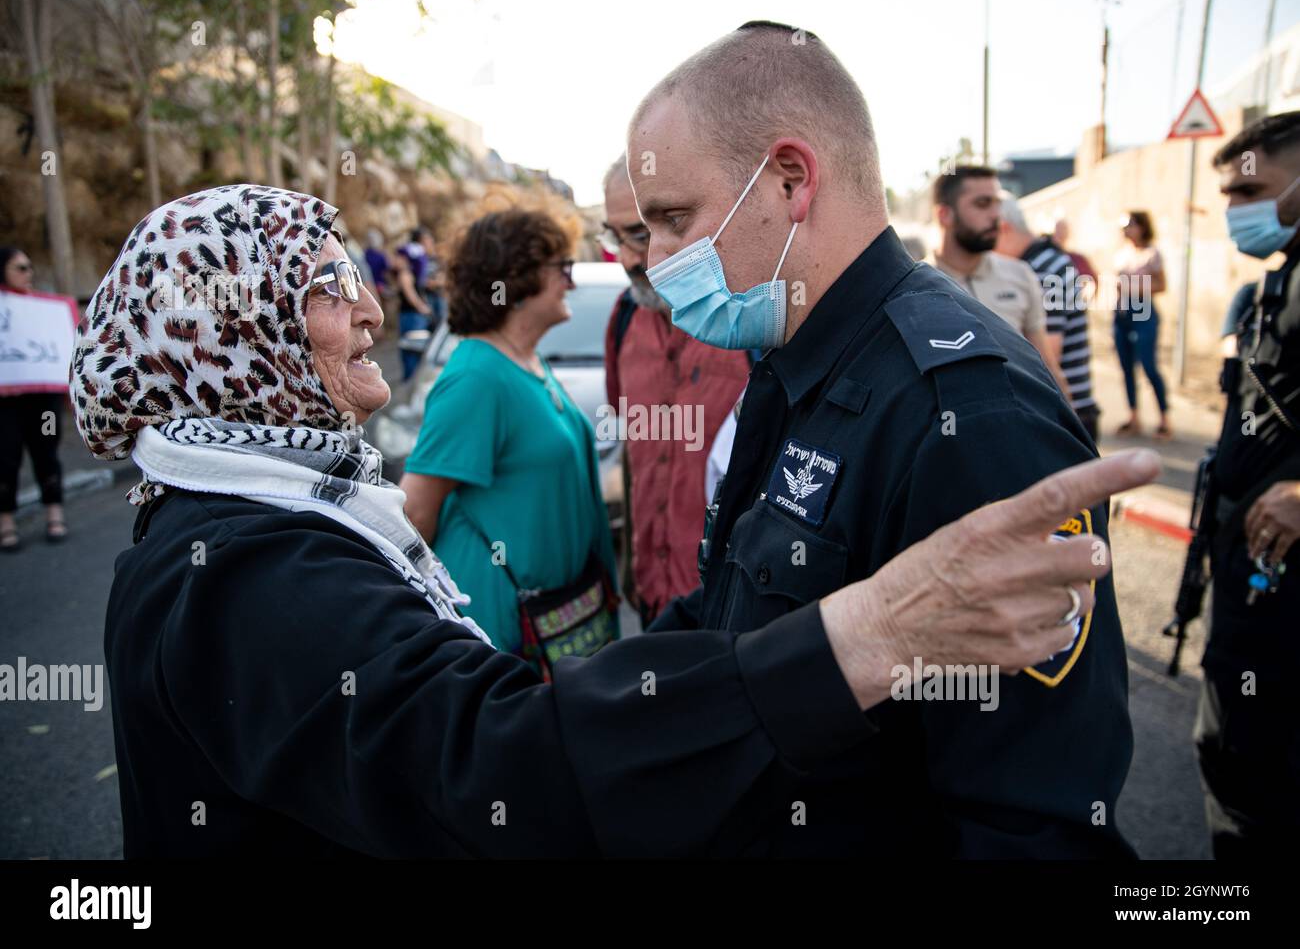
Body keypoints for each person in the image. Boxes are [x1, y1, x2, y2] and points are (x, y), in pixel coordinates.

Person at [68, 183, 1154, 857]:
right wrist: (861, 635)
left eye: (359, 276)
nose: (366, 307)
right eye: (320, 284)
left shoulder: (260, 514)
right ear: (215, 335)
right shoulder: (239, 568)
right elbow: (492, 768)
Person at [632, 21, 1134, 857]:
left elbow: (1030, 819)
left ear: (791, 179)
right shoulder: (795, 354)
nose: (653, 258)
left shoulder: (968, 409)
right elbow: (727, 614)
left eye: (674, 218)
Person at [399, 208, 620, 659]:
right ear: (517, 279)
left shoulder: (528, 360)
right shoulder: (477, 376)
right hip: (500, 623)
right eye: (562, 268)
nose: (571, 282)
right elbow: (416, 512)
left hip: (559, 612)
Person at [1195, 112, 1300, 858]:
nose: (1238, 208)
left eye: (1252, 188)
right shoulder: (1277, 283)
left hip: (1280, 587)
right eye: (1229, 193)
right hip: (1250, 567)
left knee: (1250, 780)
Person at [601, 154, 750, 625]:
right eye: (613, 236)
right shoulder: (622, 322)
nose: (627, 259)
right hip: (650, 601)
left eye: (640, 236)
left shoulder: (748, 325)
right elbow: (631, 452)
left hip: (726, 612)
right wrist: (630, 566)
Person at [929, 166, 1069, 397]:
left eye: (997, 203)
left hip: (1018, 427)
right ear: (945, 214)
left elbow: (1047, 369)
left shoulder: (1020, 275)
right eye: (983, 204)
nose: (996, 215)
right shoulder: (914, 286)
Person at [997, 198, 1100, 442]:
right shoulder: (1044, 260)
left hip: (1062, 408)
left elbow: (1048, 349)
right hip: (1066, 405)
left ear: (1003, 228)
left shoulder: (1043, 268)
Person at [0, 247, 68, 550]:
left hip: (44, 403)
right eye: (20, 267)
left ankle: (55, 512)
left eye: (29, 267)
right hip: (6, 402)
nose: (28, 273)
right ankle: (6, 521)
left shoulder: (43, 309)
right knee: (5, 457)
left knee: (47, 453)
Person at [1112, 210, 1171, 439]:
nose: (1126, 229)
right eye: (1124, 225)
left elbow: (1162, 285)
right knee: (1126, 367)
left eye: (1130, 225)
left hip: (1143, 314)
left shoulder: (1152, 253)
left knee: (1148, 366)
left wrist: (1135, 289)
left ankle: (1164, 419)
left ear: (1142, 226)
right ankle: (1133, 417)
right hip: (1122, 314)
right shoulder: (1122, 253)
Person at [393, 229, 434, 380]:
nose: (396, 260)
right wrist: (422, 307)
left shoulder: (412, 270)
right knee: (411, 350)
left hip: (413, 315)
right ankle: (411, 382)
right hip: (412, 315)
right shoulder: (406, 273)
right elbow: (409, 293)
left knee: (415, 351)